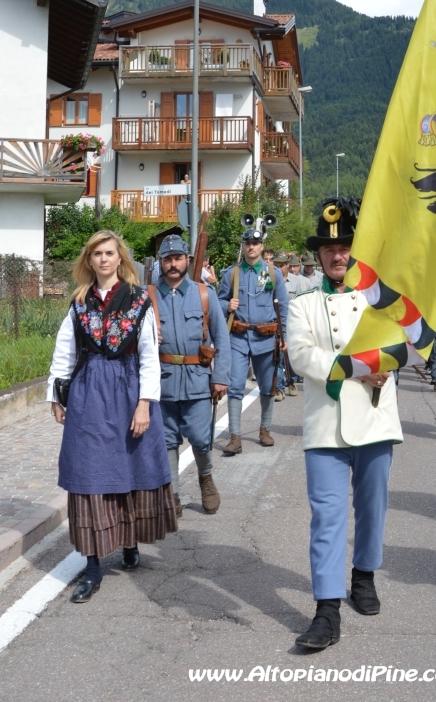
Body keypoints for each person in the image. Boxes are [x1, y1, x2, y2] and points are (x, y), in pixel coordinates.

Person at [288, 197, 402, 651]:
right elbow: (301, 356)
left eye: (347, 247)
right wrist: (355, 366)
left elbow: (401, 343)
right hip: (325, 425)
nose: (338, 256)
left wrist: (391, 360)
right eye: (329, 250)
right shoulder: (303, 305)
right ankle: (327, 611)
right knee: (328, 517)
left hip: (374, 417)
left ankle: (364, 575)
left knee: (372, 509)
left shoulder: (381, 299)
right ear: (318, 255)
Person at [47, 230, 176, 604]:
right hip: (89, 395)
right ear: (89, 261)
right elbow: (64, 352)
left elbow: (150, 355)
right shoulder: (79, 302)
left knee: (130, 469)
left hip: (129, 390)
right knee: (87, 474)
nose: (104, 259)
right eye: (97, 254)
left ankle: (130, 540)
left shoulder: (139, 301)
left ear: (120, 258)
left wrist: (144, 404)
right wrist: (56, 396)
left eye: (110, 253)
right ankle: (91, 568)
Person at [149, 235, 231, 517]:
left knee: (200, 436)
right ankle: (172, 493)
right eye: (168, 259)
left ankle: (206, 479)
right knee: (166, 439)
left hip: (197, 380)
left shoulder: (204, 293)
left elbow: (222, 338)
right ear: (160, 262)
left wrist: (220, 376)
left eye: (178, 258)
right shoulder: (148, 297)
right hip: (162, 380)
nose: (173, 264)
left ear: (187, 260)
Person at [218, 228, 289, 454]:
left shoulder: (273, 273)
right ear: (243, 245)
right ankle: (235, 437)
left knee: (268, 387)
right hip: (238, 337)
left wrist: (283, 337)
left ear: (261, 246)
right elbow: (217, 301)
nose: (251, 246)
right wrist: (226, 306)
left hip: (266, 338)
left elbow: (283, 307)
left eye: (256, 243)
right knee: (236, 386)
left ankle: (265, 430)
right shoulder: (232, 273)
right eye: (248, 242)